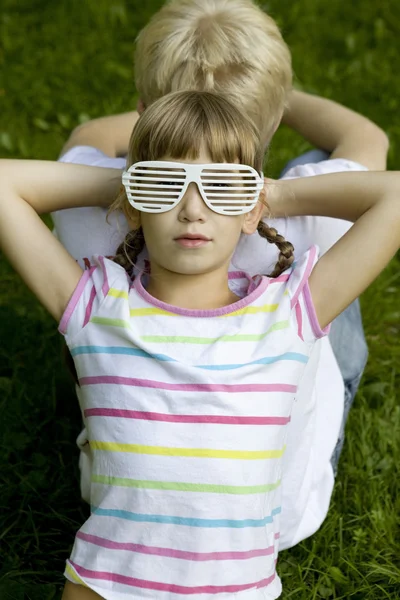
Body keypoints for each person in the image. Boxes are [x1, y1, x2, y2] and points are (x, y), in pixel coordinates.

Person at [1, 90, 399, 600]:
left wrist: (274, 195)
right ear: (134, 202)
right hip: (102, 590)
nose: (192, 209)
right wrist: (128, 184)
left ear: (252, 208)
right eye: (164, 185)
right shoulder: (97, 306)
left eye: (220, 189)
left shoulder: (289, 313)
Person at [53, 0, 389, 551]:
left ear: (142, 110)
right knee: (327, 262)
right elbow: (367, 139)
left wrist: (138, 181)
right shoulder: (314, 218)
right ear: (273, 118)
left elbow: (89, 132)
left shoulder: (85, 211)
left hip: (124, 508)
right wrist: (272, 173)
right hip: (281, 514)